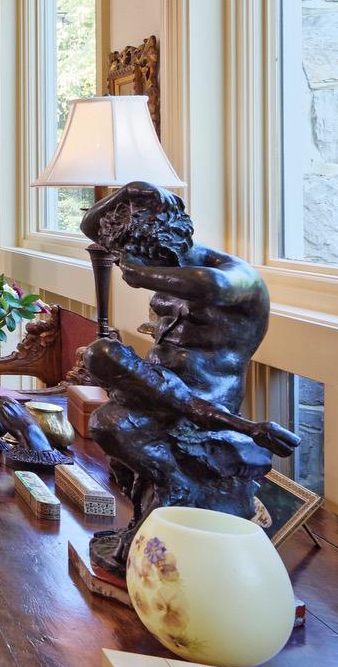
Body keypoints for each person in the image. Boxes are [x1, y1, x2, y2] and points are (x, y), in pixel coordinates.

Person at [79, 183, 299, 575]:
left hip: (206, 399)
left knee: (108, 407)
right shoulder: (164, 265)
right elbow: (89, 226)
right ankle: (167, 489)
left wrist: (141, 273)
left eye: (157, 264)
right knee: (104, 399)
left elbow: (210, 287)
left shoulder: (236, 278)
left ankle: (174, 495)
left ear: (173, 244)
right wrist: (131, 191)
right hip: (159, 390)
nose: (154, 275)